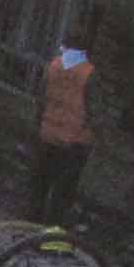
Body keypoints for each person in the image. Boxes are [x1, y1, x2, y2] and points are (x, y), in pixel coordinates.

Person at [30, 41, 96, 221]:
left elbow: (41, 99)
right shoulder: (88, 73)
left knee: (38, 186)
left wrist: (39, 126)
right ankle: (50, 238)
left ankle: (26, 229)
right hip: (73, 142)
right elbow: (92, 110)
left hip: (48, 135)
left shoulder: (53, 65)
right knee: (62, 196)